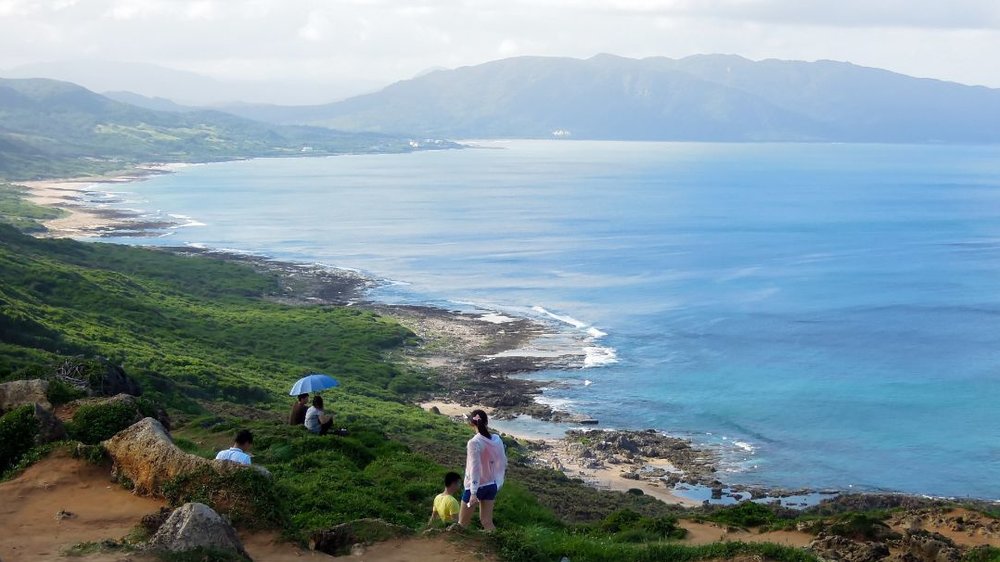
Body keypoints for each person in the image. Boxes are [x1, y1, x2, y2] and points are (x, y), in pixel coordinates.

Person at [458, 409, 507, 532]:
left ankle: (458, 545)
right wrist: (498, 483)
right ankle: (497, 541)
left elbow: (475, 468)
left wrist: (473, 493)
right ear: (486, 422)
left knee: (462, 523)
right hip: (491, 486)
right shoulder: (496, 439)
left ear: (471, 424)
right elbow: (503, 461)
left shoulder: (474, 443)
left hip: (474, 489)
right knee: (487, 522)